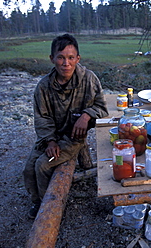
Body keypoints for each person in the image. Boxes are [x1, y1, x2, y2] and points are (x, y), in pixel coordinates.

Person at [23, 34, 109, 219]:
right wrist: (50, 141)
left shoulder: (89, 79)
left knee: (42, 166)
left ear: (78, 59)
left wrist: (86, 115)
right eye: (61, 57)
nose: (66, 63)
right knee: (29, 168)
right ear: (52, 58)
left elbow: (102, 108)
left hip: (73, 139)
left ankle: (49, 209)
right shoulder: (44, 86)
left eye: (71, 58)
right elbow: (42, 117)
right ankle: (37, 201)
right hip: (50, 137)